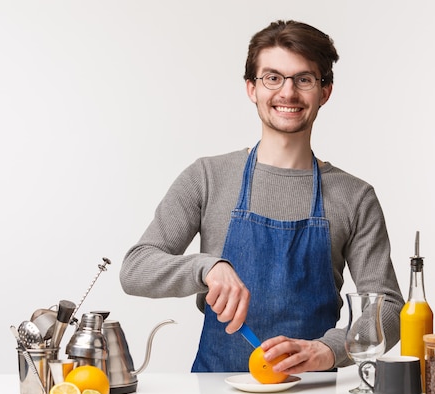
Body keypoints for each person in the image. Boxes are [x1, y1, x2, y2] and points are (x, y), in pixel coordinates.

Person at [120, 20, 404, 374]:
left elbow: (388, 307)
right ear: (251, 88)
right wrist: (207, 267)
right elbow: (135, 269)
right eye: (273, 78)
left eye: (304, 79)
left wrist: (329, 350)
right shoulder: (207, 177)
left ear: (325, 91)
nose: (288, 93)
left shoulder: (355, 196)